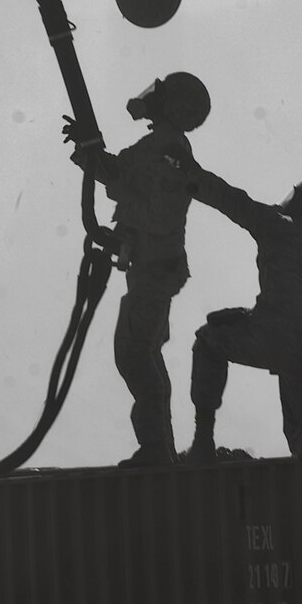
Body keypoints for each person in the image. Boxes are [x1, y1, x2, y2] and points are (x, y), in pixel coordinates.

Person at [67, 71, 211, 466]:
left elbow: (157, 215)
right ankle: (158, 447)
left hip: (155, 269)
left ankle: (155, 449)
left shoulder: (170, 153)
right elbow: (118, 172)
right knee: (143, 355)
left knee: (134, 354)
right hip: (150, 268)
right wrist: (87, 153)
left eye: (159, 95)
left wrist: (117, 195)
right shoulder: (158, 145)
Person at [184, 167, 302, 460]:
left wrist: (188, 171)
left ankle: (202, 443)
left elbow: (230, 199)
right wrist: (251, 316)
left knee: (209, 340)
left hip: (280, 340)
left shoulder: (281, 224)